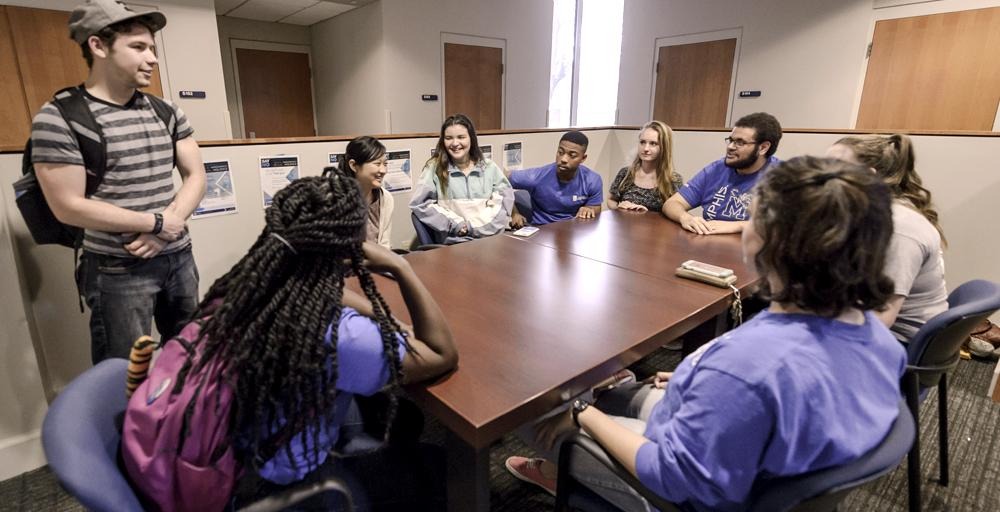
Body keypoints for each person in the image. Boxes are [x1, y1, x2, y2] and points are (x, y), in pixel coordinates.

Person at [505, 156, 906, 511]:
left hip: (676, 489)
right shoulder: (878, 338)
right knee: (614, 388)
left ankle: (559, 469)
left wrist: (581, 412)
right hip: (740, 455)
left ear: (771, 240)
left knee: (529, 404)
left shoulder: (746, 370)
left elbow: (670, 475)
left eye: (754, 216)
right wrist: (692, 377)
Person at [122, 175, 458, 509]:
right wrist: (401, 267)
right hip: (285, 480)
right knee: (440, 466)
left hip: (245, 441)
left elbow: (337, 295)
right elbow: (441, 354)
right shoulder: (336, 333)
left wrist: (367, 302)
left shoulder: (251, 285)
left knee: (404, 419)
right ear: (351, 247)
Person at [30, 0, 206, 363]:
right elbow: (68, 207)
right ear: (98, 46)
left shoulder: (167, 110)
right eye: (138, 47)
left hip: (178, 258)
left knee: (189, 356)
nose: (152, 58)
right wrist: (155, 222)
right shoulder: (61, 117)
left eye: (153, 48)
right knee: (124, 372)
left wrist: (164, 231)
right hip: (117, 269)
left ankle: (181, 420)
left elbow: (196, 175)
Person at [827, 134, 949, 346]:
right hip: (868, 316)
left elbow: (880, 318)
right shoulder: (874, 213)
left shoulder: (898, 228)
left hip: (897, 340)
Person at [661, 112, 781, 235]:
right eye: (731, 140)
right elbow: (672, 203)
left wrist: (739, 226)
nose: (730, 147)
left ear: (763, 148)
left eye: (740, 142)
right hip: (708, 245)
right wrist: (686, 218)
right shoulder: (717, 169)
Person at [409, 114, 513, 244]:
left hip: (488, 240)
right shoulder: (434, 168)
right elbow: (420, 203)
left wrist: (471, 227)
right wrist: (455, 225)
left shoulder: (489, 167)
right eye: (448, 138)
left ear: (471, 139)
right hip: (454, 243)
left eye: (461, 137)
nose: (455, 143)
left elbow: (503, 204)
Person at [508, 131, 604, 227]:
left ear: (583, 158)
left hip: (575, 231)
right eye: (560, 152)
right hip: (542, 230)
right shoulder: (536, 176)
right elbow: (501, 182)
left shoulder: (592, 180)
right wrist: (514, 213)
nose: (564, 159)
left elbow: (595, 208)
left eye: (572, 155)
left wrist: (589, 209)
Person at [324, 135, 394, 249]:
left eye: (385, 164)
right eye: (377, 164)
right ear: (353, 165)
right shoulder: (334, 199)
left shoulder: (385, 198)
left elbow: (384, 245)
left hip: (376, 263)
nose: (383, 170)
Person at [608, 121, 683, 213]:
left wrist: (645, 214)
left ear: (664, 147)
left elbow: (676, 211)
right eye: (642, 142)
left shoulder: (673, 180)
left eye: (653, 143)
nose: (646, 149)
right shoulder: (626, 173)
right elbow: (611, 200)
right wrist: (620, 207)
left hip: (656, 226)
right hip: (626, 225)